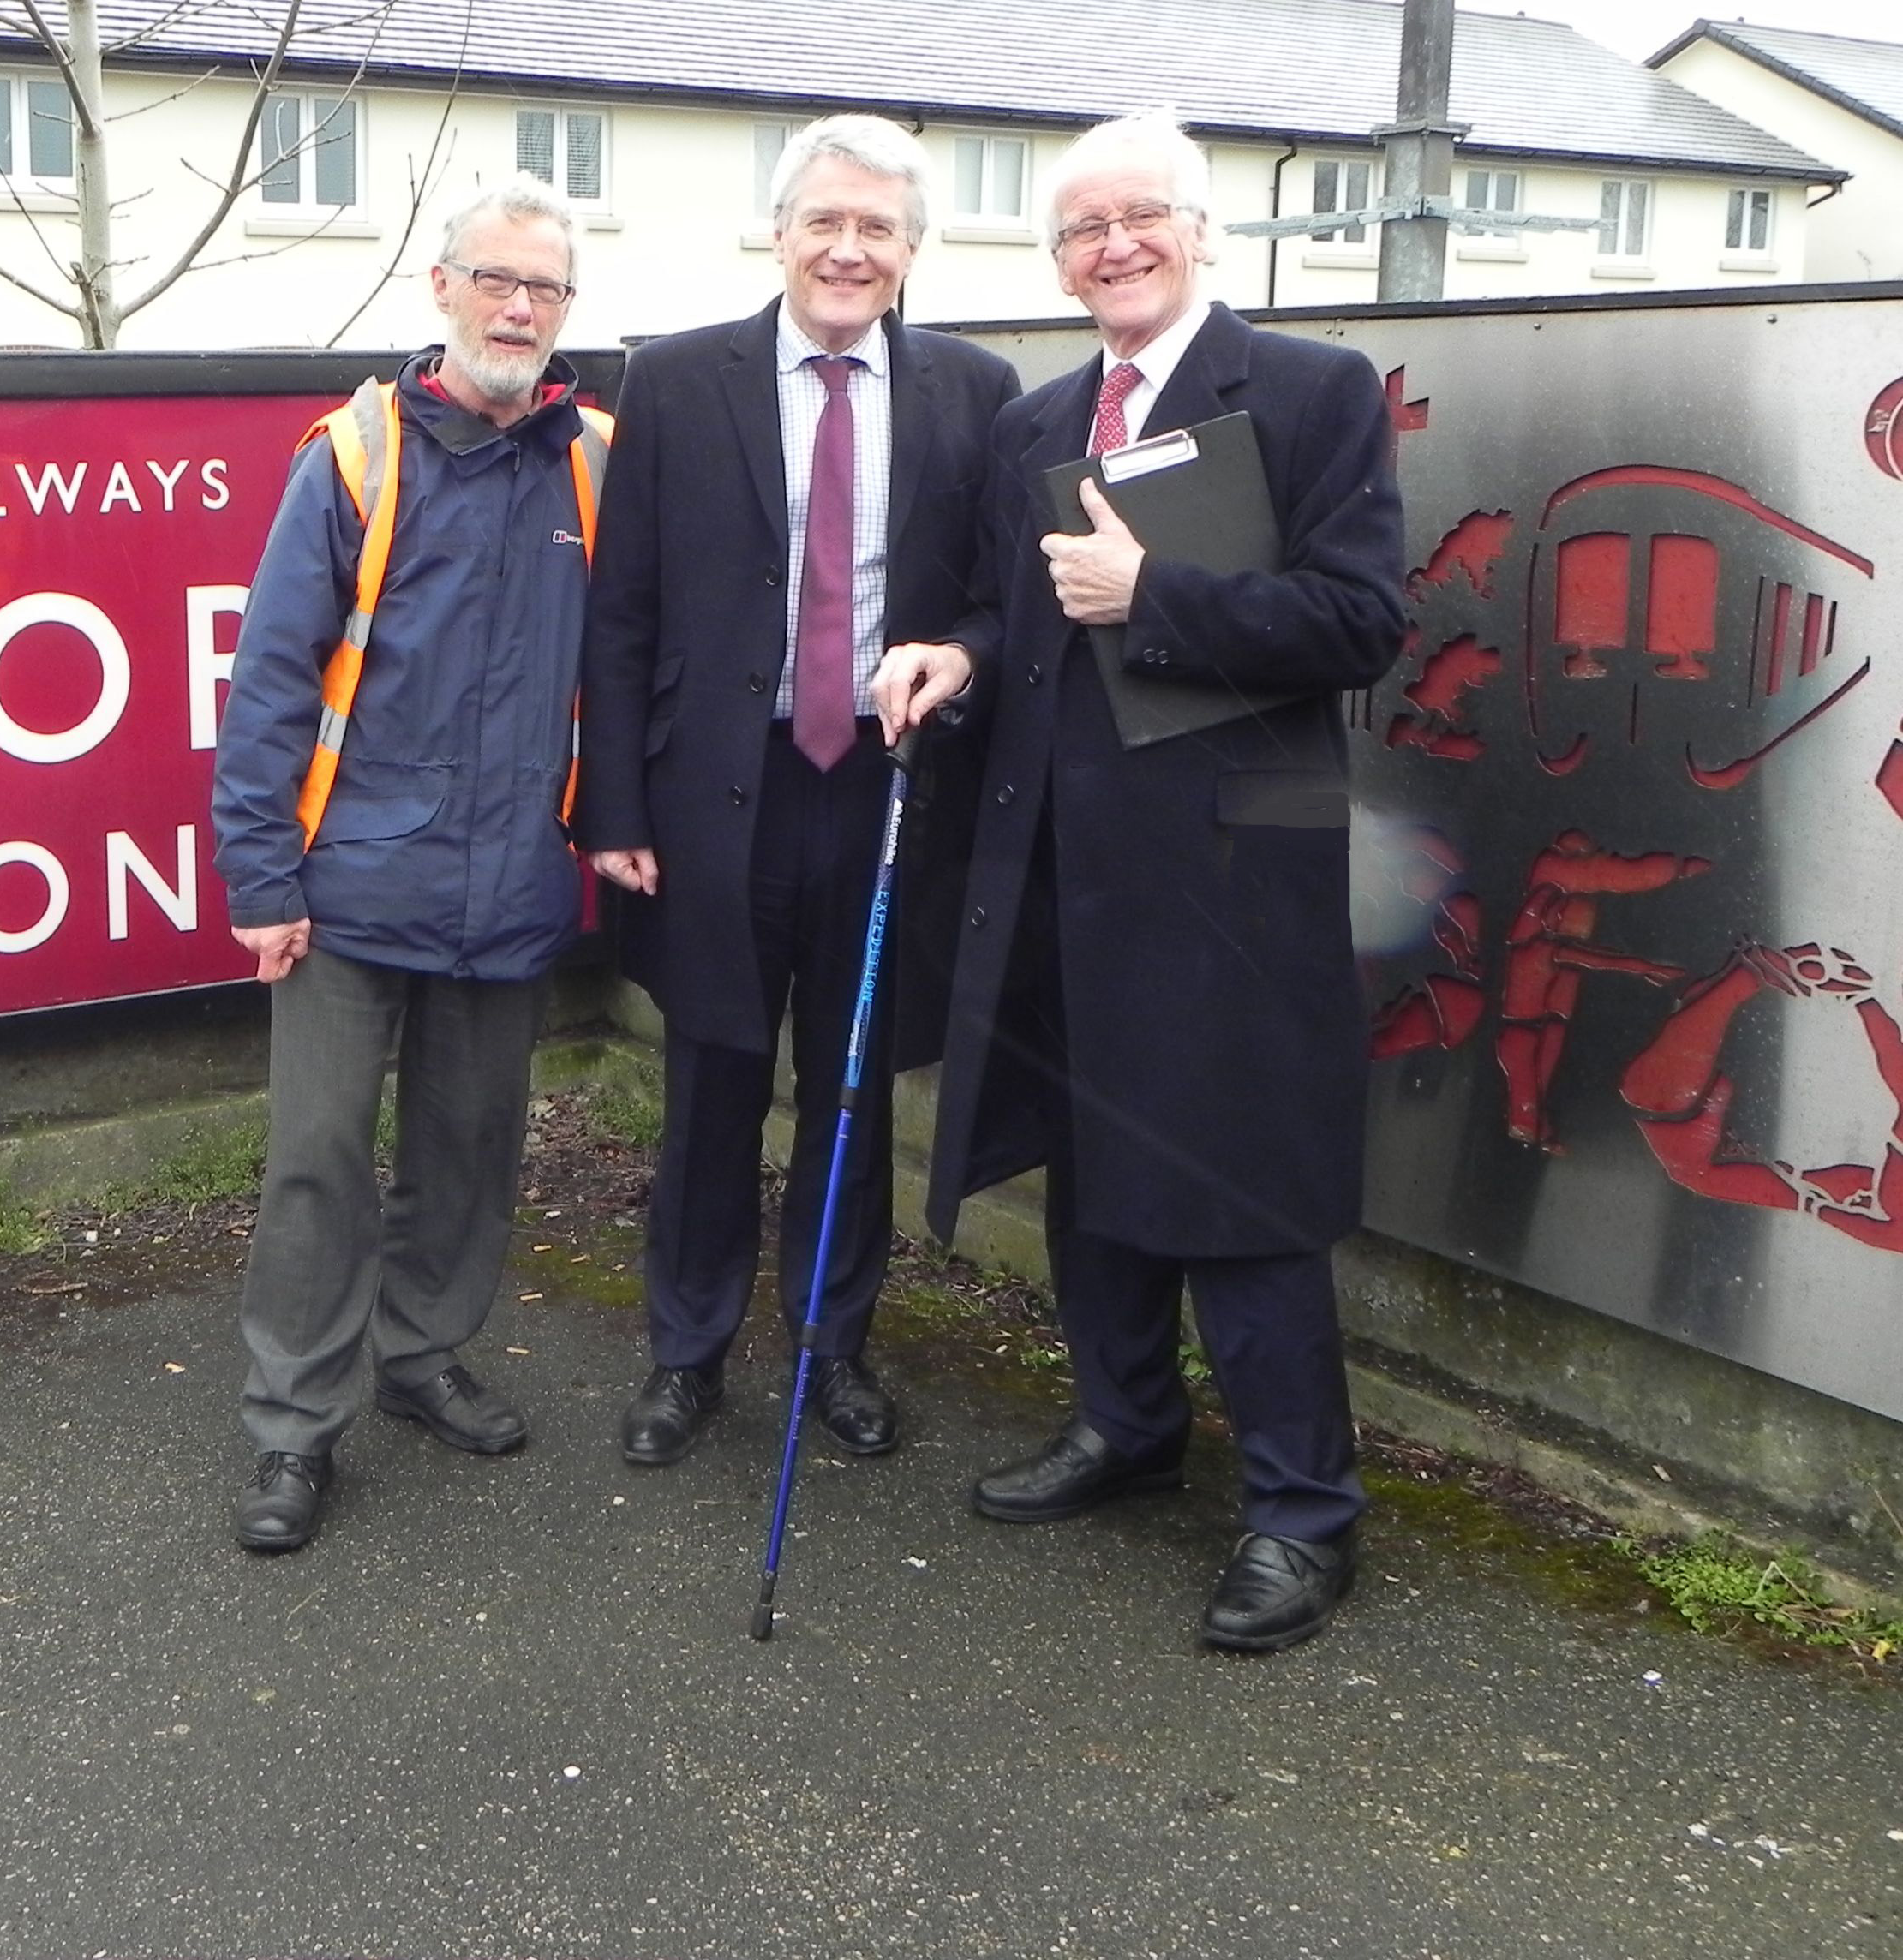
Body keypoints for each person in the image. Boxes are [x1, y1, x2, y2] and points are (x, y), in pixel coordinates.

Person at [918, 112, 1406, 1652]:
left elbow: (1359, 623)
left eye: (1140, 217)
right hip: (1061, 864)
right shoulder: (1038, 418)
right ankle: (1126, 1431)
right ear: (1057, 261)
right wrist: (960, 652)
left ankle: (1302, 1516)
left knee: (1242, 1189)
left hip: (1228, 870)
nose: (1112, 246)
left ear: (1201, 229)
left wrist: (1160, 595)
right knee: (1093, 1168)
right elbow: (1024, 623)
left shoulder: (1314, 393)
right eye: (1082, 229)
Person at [576, 116, 1018, 1469]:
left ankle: (835, 1347)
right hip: (723, 792)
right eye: (824, 221)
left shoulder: (975, 390)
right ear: (779, 233)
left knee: (849, 1091)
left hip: (883, 794)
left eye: (876, 228)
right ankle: (687, 1352)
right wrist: (613, 810)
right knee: (711, 1079)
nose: (847, 248)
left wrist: (968, 658)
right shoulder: (674, 380)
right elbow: (624, 608)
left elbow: (1001, 606)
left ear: (911, 249)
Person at [211, 177, 611, 1554]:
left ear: (567, 312)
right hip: (348, 888)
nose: (518, 306)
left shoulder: (595, 461)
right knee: (318, 1162)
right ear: (440, 289)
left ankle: (424, 1355)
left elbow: (628, 679)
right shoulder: (357, 453)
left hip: (510, 884)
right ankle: (293, 1428)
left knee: (469, 1149)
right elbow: (272, 678)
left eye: (544, 289)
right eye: (495, 279)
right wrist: (260, 880)